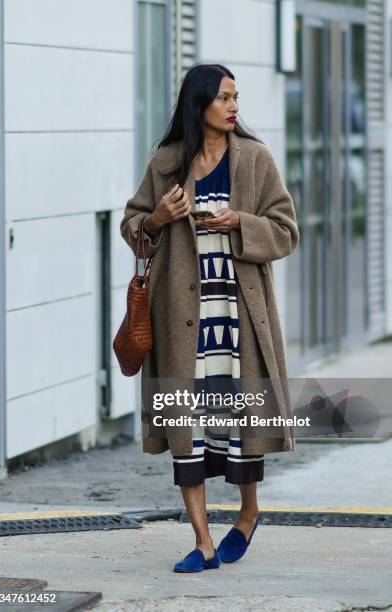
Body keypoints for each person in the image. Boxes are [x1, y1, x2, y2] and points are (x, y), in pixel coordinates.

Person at [120, 63, 299, 573]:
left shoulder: (257, 160)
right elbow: (133, 226)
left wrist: (239, 222)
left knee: (240, 424)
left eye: (236, 97)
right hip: (182, 317)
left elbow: (286, 231)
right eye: (224, 97)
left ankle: (247, 515)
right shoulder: (167, 162)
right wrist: (157, 219)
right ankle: (201, 541)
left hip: (239, 315)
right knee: (188, 426)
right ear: (200, 104)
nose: (234, 106)